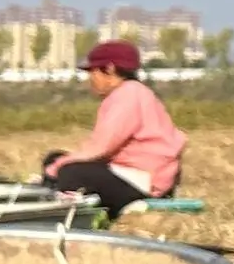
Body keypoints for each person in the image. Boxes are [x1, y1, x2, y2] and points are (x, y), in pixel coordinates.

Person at [42, 38, 185, 215]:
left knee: (70, 172)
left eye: (93, 72)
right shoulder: (132, 92)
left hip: (142, 182)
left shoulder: (127, 96)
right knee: (56, 159)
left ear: (109, 69)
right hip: (132, 174)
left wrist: (56, 168)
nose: (90, 79)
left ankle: (65, 210)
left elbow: (101, 148)